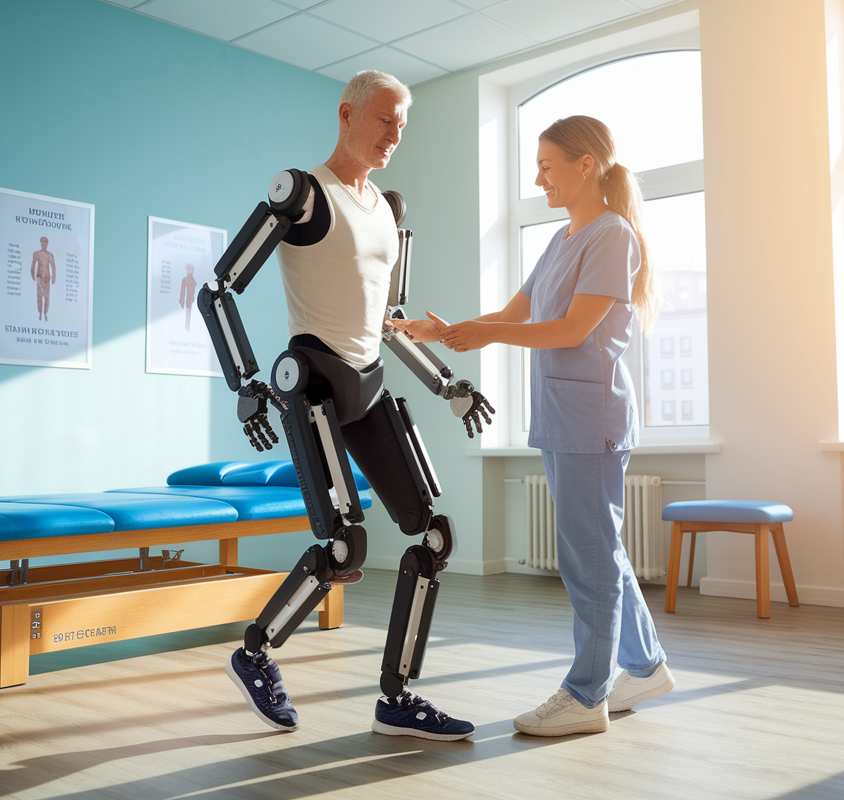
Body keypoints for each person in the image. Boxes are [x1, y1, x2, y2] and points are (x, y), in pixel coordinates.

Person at [393, 115, 676, 736]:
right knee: (603, 552)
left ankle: (585, 696)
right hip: (561, 417)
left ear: (586, 165)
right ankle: (646, 665)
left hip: (591, 418)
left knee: (589, 560)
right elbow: (514, 314)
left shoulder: (611, 235)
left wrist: (485, 333)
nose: (538, 177)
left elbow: (573, 329)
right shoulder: (561, 239)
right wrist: (446, 331)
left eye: (548, 165)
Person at [221, 71, 477, 741]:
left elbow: (390, 317)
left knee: (434, 536)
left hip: (368, 384)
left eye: (403, 125)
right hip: (312, 382)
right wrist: (246, 381)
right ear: (347, 114)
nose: (396, 134)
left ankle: (398, 698)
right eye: (386, 120)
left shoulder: (389, 208)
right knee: (344, 546)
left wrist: (448, 384)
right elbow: (219, 288)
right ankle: (254, 654)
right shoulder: (303, 195)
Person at [31, 237, 56, 321]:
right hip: (39, 278)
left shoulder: (50, 255)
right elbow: (33, 264)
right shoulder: (36, 254)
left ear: (47, 244)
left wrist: (53, 278)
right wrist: (32, 274)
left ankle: (45, 313)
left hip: (47, 278)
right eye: (42, 243)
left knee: (46, 296)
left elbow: (53, 266)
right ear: (40, 243)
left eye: (45, 243)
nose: (44, 245)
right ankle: (40, 313)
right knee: (39, 296)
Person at [178, 264, 197, 331]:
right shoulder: (184, 279)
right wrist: (182, 300)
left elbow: (194, 288)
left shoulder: (193, 280)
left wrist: (192, 298)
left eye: (192, 269)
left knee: (189, 313)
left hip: (191, 300)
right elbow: (182, 291)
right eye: (189, 269)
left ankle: (188, 327)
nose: (190, 270)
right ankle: (185, 328)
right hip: (185, 300)